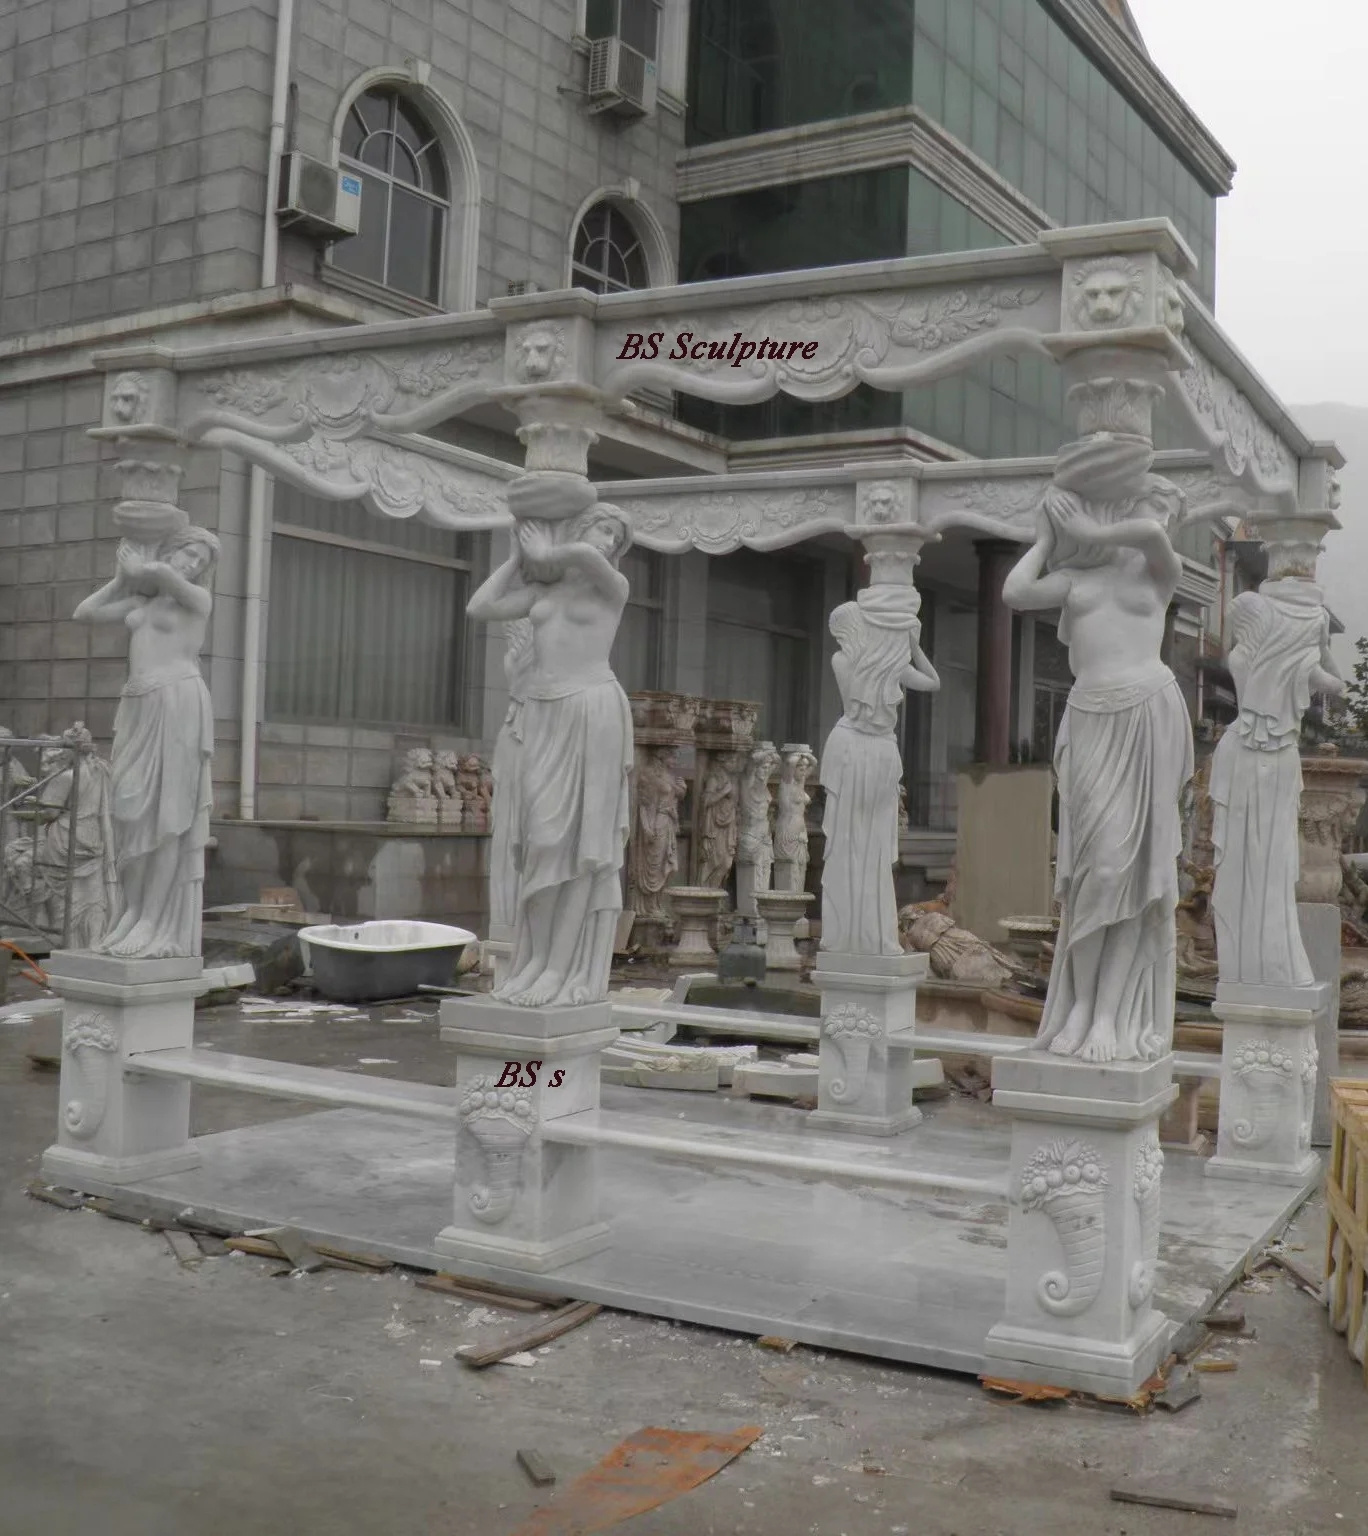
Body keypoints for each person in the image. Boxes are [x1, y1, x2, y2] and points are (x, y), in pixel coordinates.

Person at [1002, 435, 1193, 1062]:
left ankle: (1109, 1014)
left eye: (1167, 513)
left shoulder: (1160, 572)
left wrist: (1087, 527)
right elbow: (1014, 593)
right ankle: (1082, 1004)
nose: (1162, 521)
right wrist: (1045, 539)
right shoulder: (1078, 578)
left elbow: (1151, 537)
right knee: (1088, 874)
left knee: (1129, 874)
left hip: (1145, 716)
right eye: (1154, 506)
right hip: (1089, 719)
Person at [467, 481, 633, 1007]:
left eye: (616, 538)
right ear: (582, 527)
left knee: (582, 849)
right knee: (540, 844)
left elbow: (586, 557)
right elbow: (480, 607)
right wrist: (519, 558)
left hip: (592, 711)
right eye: (603, 529)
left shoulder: (612, 588)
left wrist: (550, 550)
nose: (608, 542)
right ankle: (535, 961)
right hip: (543, 714)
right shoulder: (543, 593)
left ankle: (559, 969)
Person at [74, 527, 218, 958]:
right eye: (188, 553)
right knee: (129, 812)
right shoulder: (141, 602)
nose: (192, 564)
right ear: (173, 550)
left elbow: (169, 578)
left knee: (167, 818)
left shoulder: (198, 599)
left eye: (201, 562)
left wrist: (147, 567)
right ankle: (133, 912)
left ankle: (153, 920)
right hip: (137, 706)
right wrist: (122, 579)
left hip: (178, 703)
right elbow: (84, 613)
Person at [1210, 582, 1345, 985]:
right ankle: (1271, 959)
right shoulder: (1301, 663)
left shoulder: (1240, 657)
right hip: (1276, 753)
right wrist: (1321, 644)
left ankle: (1244, 961)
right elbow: (1338, 685)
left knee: (1242, 861)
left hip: (1239, 751)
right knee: (1271, 861)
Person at [819, 584, 939, 957]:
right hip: (857, 747)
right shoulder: (859, 661)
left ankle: (870, 934)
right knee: (850, 842)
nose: (839, 639)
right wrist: (908, 647)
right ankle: (848, 934)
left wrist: (910, 644)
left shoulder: (863, 660)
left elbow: (933, 684)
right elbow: (929, 680)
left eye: (840, 632)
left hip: (872, 749)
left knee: (872, 845)